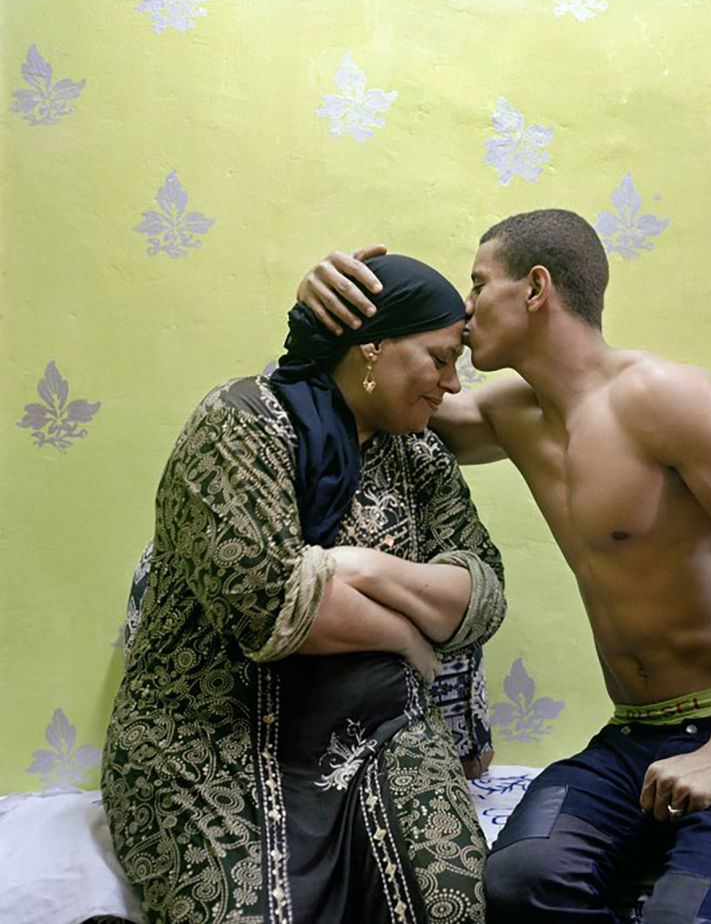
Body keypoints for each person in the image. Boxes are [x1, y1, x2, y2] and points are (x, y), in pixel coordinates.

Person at [296, 209, 711, 924]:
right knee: (519, 881)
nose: (465, 307)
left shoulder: (665, 397)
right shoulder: (511, 416)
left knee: (687, 916)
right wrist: (324, 314)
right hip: (627, 741)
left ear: (535, 288)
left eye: (478, 284)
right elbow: (383, 394)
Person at [102, 254, 506, 924]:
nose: (453, 384)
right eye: (439, 359)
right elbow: (268, 606)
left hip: (382, 731)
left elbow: (481, 595)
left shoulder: (421, 456)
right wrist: (406, 634)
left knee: (449, 906)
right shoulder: (243, 422)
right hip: (211, 738)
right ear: (371, 349)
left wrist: (362, 568)